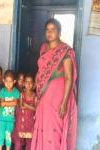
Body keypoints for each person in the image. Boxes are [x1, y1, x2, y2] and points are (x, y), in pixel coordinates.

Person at [31, 18, 77, 150]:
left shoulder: (66, 52)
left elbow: (69, 77)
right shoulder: (43, 49)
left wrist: (64, 103)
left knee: (55, 128)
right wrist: (36, 87)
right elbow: (40, 71)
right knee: (43, 126)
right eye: (47, 30)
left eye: (53, 30)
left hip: (57, 97)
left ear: (59, 32)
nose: (50, 33)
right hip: (43, 96)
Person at [13, 74, 37, 150]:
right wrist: (30, 106)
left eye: (30, 82)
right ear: (24, 84)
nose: (28, 84)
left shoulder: (35, 96)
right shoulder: (21, 94)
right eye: (26, 82)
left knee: (29, 142)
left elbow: (36, 109)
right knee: (18, 142)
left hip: (30, 122)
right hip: (21, 122)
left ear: (33, 84)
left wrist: (26, 105)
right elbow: (21, 106)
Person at [0, 70, 20, 150]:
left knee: (8, 136)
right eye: (6, 81)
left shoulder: (16, 92)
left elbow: (15, 103)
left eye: (10, 81)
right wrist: (11, 102)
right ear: (3, 81)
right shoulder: (2, 91)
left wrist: (6, 103)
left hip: (10, 119)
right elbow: (2, 104)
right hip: (2, 119)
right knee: (0, 135)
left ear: (14, 81)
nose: (8, 83)